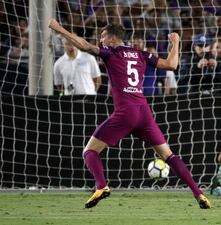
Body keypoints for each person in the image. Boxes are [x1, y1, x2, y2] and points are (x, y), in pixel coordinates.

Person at [48, 19, 211, 209]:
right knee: (169, 156)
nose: (100, 40)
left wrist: (60, 29)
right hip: (144, 113)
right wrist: (175, 43)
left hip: (126, 113)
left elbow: (84, 45)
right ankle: (199, 193)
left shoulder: (111, 53)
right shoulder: (141, 54)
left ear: (112, 38)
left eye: (102, 36)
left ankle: (101, 186)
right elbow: (171, 65)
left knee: (89, 151)